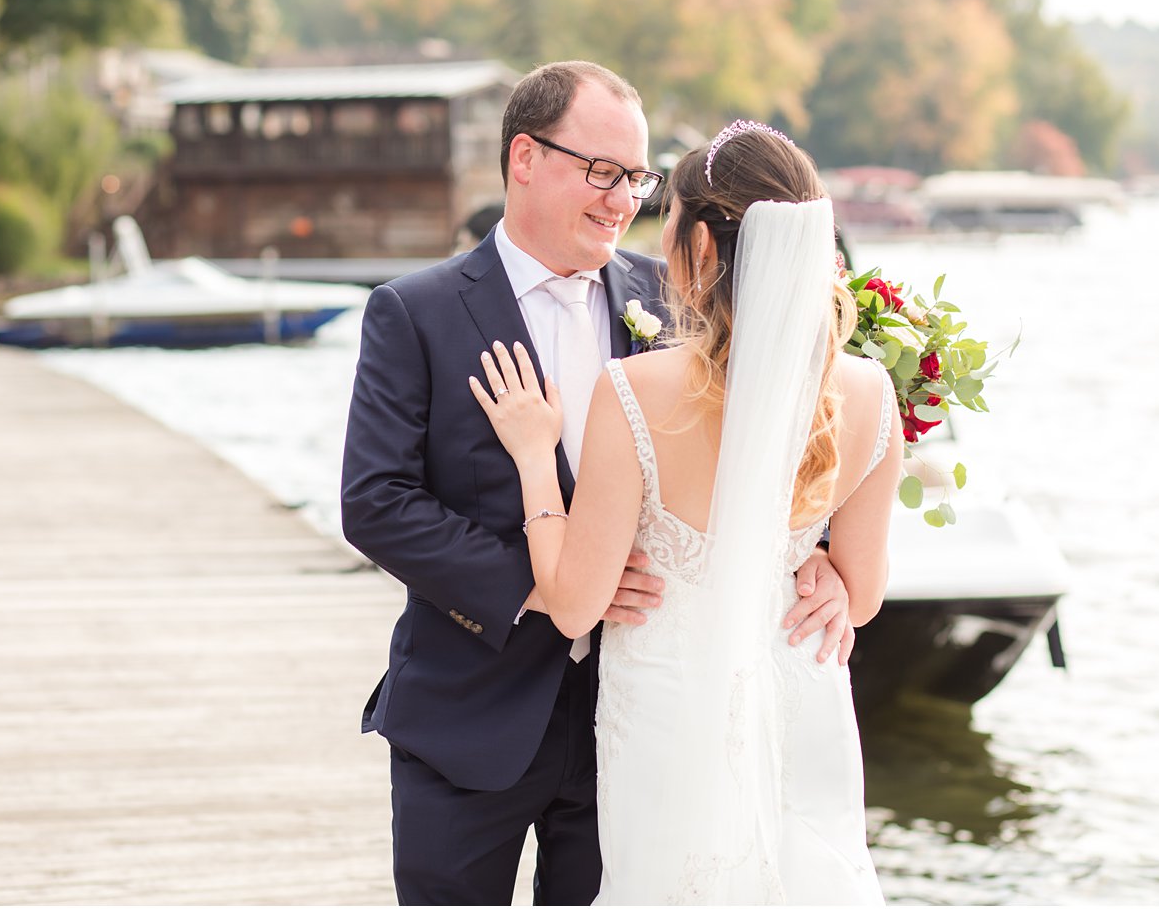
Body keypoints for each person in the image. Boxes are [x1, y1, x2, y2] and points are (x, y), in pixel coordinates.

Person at [341, 64, 860, 905]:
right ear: (523, 158)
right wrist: (548, 588)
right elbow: (377, 503)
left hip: (637, 720)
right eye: (602, 172)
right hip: (472, 713)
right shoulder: (415, 311)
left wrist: (824, 555)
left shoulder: (671, 294)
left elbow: (778, 432)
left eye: (639, 178)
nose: (625, 200)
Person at [469, 121, 903, 903]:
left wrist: (536, 456)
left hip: (670, 706)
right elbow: (861, 596)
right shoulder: (871, 392)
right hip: (800, 689)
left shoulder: (638, 390)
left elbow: (572, 606)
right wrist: (820, 571)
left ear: (702, 246)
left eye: (663, 216)